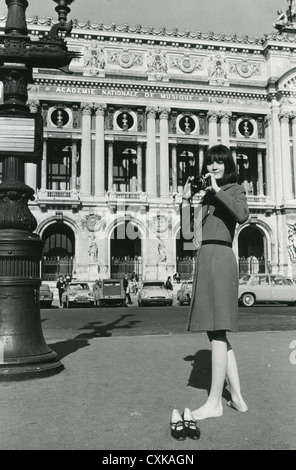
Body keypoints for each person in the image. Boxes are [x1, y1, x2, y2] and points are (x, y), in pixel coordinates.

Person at [171, 144, 249, 428]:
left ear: (227, 165)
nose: (213, 167)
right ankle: (238, 398)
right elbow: (189, 235)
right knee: (215, 332)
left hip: (220, 257)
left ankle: (215, 403)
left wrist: (217, 191)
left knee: (217, 330)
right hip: (205, 257)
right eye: (210, 163)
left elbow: (242, 216)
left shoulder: (235, 189)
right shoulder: (207, 196)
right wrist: (185, 200)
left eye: (219, 163)